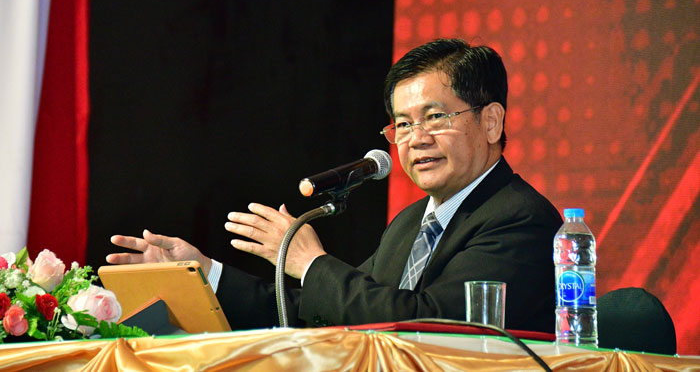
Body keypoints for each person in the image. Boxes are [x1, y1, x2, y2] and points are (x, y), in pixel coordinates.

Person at [107, 38, 562, 332]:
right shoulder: (410, 224)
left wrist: (312, 262)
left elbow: (430, 325)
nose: (416, 138)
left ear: (491, 121)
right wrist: (204, 273)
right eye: (403, 124)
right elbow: (320, 310)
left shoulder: (520, 218)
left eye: (435, 116)